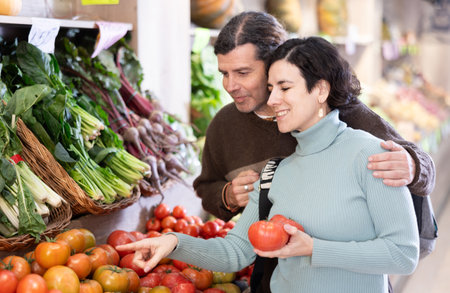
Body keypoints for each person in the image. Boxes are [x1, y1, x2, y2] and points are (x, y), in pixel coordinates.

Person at [117, 36, 420, 293]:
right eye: (271, 87)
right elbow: (235, 252)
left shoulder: (372, 156)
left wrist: (315, 248)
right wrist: (172, 241)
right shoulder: (277, 172)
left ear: (321, 91)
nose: (273, 99)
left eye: (285, 88)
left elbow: (403, 254)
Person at [193, 11, 435, 223]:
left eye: (243, 73)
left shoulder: (336, 110)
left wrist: (412, 165)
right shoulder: (224, 125)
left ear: (275, 64)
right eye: (224, 73)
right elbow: (206, 188)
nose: (230, 85)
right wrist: (228, 196)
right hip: (269, 265)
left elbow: (421, 167)